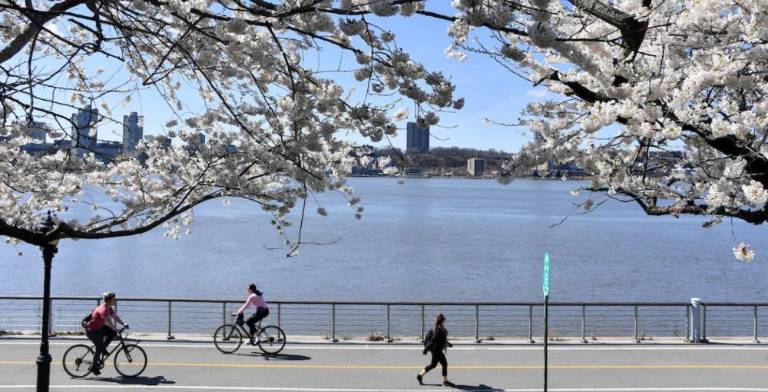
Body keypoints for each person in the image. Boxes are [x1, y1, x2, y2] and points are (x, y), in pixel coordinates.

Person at [84, 292, 126, 375]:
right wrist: (115, 328)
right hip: (92, 330)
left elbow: (114, 316)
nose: (115, 300)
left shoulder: (109, 307)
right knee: (99, 347)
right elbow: (108, 321)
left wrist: (123, 323)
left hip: (99, 327)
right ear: (110, 300)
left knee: (112, 333)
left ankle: (103, 349)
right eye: (114, 299)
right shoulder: (103, 309)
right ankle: (93, 366)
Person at [417, 313, 453, 386]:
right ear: (442, 321)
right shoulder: (438, 330)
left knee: (433, 365)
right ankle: (445, 381)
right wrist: (426, 349)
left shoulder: (438, 327)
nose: (444, 322)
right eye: (444, 321)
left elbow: (442, 339)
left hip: (435, 350)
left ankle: (420, 376)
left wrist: (448, 344)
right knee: (444, 364)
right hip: (437, 350)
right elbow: (434, 340)